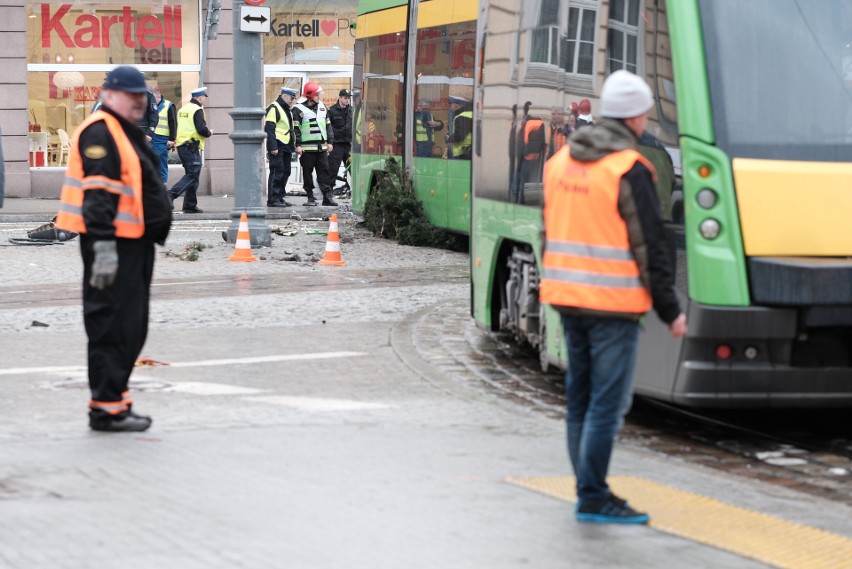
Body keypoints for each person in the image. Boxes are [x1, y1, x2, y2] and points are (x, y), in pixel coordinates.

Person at [540, 70, 687, 524]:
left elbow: (550, 231)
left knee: (580, 398)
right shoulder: (629, 168)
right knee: (607, 402)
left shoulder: (559, 162)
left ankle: (589, 491)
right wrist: (670, 308)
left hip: (566, 298)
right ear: (639, 117)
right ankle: (593, 495)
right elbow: (651, 243)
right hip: (612, 306)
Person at [55, 66, 172, 432]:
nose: (139, 101)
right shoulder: (101, 131)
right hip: (112, 245)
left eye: (142, 96)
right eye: (132, 95)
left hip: (133, 243)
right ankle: (106, 409)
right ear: (109, 94)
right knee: (111, 324)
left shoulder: (123, 129)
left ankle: (116, 402)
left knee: (130, 327)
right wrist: (104, 249)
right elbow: (98, 197)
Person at [168, 86, 212, 214]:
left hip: (183, 146)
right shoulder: (197, 109)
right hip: (191, 146)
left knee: (193, 176)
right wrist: (209, 132)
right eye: (204, 97)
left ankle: (190, 205)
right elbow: (201, 129)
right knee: (192, 174)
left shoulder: (183, 109)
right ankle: (170, 195)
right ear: (200, 97)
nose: (204, 100)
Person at [292, 81, 337, 207]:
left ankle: (327, 197)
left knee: (324, 172)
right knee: (307, 172)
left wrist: (330, 142)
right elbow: (296, 129)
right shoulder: (298, 109)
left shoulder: (322, 106)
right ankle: (310, 197)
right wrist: (298, 145)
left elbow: (328, 125)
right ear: (310, 95)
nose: (319, 97)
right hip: (306, 148)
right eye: (317, 95)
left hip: (321, 147)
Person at [264, 86, 297, 208]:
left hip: (286, 145)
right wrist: (273, 147)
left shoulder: (286, 108)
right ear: (284, 96)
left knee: (285, 172)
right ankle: (273, 199)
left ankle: (280, 197)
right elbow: (269, 128)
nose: (292, 101)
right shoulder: (274, 107)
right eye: (291, 98)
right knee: (276, 172)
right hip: (277, 144)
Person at [327, 89, 354, 196]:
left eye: (348, 98)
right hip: (337, 144)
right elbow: (328, 127)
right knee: (333, 167)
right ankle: (328, 190)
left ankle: (353, 188)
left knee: (352, 167)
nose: (347, 100)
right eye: (345, 98)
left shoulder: (352, 110)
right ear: (340, 97)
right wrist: (329, 142)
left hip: (348, 144)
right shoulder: (332, 111)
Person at [150, 86, 177, 184]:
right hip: (151, 138)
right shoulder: (150, 105)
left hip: (162, 139)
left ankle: (163, 186)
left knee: (161, 163)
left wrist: (172, 139)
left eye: (152, 98)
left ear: (158, 96)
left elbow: (173, 123)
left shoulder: (168, 105)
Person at [445, 95, 473, 159]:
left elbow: (459, 136)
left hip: (463, 153)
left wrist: (448, 138)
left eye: (451, 105)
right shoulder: (470, 114)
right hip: (470, 151)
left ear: (456, 106)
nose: (450, 108)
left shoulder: (462, 116)